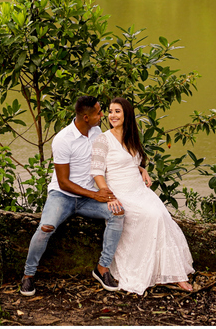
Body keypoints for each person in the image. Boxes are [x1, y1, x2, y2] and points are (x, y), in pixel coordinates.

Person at [20, 96, 125, 297]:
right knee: (45, 227)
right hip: (62, 195)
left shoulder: (96, 133)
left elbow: (114, 155)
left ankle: (102, 269)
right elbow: (63, 182)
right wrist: (96, 194)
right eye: (98, 113)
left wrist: (138, 168)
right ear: (86, 117)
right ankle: (28, 275)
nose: (103, 115)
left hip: (87, 198)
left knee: (117, 212)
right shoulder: (63, 139)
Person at [90, 96, 195, 295]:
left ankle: (175, 274)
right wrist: (109, 197)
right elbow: (97, 171)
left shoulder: (132, 137)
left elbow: (127, 161)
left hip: (139, 189)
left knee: (162, 216)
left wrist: (141, 169)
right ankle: (146, 271)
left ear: (127, 114)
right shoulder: (102, 140)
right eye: (110, 111)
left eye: (117, 111)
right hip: (120, 192)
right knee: (151, 216)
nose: (112, 115)